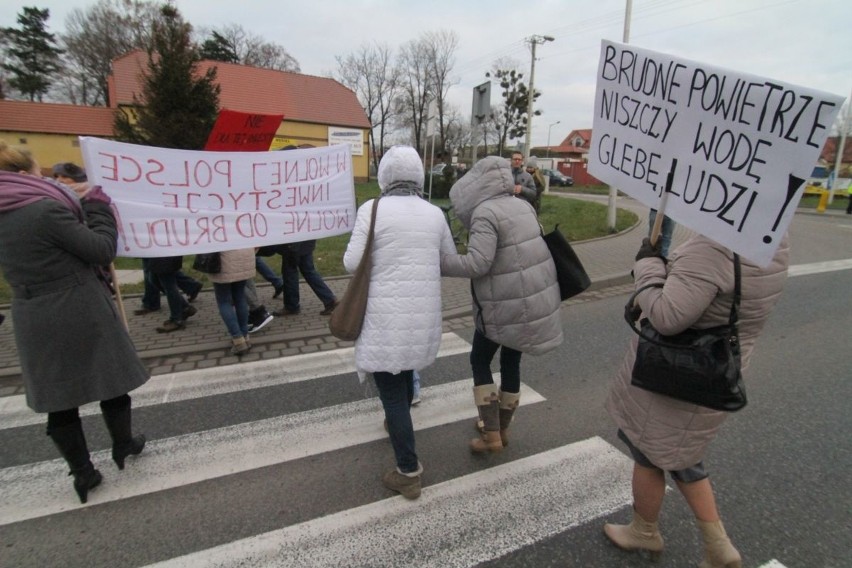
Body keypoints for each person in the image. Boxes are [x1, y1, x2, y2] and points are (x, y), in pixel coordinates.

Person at [602, 233, 789, 567]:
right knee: (682, 454)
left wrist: (647, 264)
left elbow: (668, 316)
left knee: (648, 450)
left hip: (677, 371)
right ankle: (715, 545)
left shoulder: (715, 246)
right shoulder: (770, 239)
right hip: (718, 368)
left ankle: (647, 531)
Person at [0, 141, 148, 503]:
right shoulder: (44, 210)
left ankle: (83, 473)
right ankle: (122, 443)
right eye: (39, 172)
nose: (45, 178)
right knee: (110, 379)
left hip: (31, 311)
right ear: (22, 175)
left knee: (59, 398)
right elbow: (99, 249)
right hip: (77, 304)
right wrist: (97, 207)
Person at [343, 145, 455, 500]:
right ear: (419, 175)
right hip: (421, 315)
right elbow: (447, 259)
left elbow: (350, 262)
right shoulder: (435, 214)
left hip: (383, 318)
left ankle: (408, 471)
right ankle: (397, 424)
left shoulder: (372, 209)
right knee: (405, 373)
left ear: (386, 175)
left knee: (391, 389)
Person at [441, 156, 563, 453]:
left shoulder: (485, 213)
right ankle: (503, 429)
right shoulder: (522, 205)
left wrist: (441, 262)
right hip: (531, 299)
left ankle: (490, 434)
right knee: (511, 361)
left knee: (479, 361)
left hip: (502, 304)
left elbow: (478, 263)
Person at [208, 248, 256, 356]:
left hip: (223, 259)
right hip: (245, 256)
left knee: (224, 301)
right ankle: (245, 336)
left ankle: (238, 339)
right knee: (240, 297)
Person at [275, 239, 339, 316]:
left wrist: (291, 247)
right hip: (306, 241)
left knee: (290, 273)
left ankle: (291, 306)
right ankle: (330, 300)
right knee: (308, 271)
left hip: (294, 243)